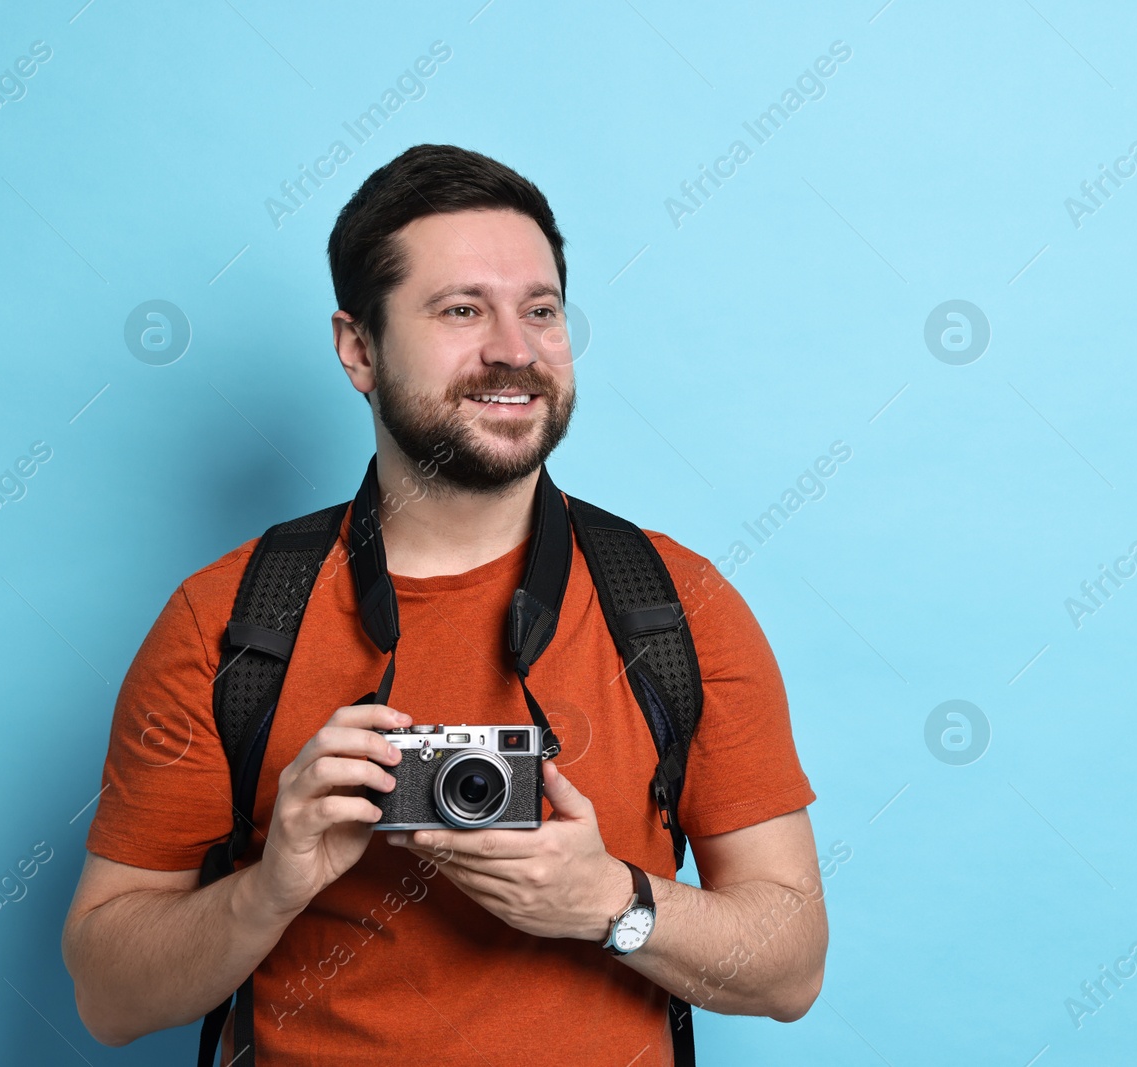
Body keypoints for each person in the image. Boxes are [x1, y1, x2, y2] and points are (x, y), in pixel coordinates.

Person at [61, 143, 826, 1065]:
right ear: (358, 349)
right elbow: (108, 998)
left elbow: (790, 968)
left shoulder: (673, 606)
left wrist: (611, 903)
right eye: (463, 310)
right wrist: (269, 888)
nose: (514, 349)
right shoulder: (229, 619)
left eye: (540, 310)